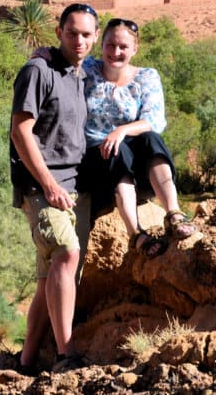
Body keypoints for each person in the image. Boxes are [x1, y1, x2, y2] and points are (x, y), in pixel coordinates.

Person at [10, 3, 99, 373]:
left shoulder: (80, 74)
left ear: (94, 37)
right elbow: (21, 131)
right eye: (72, 32)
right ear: (59, 31)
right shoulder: (38, 70)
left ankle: (27, 361)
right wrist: (47, 184)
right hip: (43, 186)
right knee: (66, 253)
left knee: (50, 276)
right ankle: (66, 355)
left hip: (75, 184)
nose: (78, 40)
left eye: (86, 34)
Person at [80, 18, 196, 256]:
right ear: (101, 44)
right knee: (116, 150)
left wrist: (121, 131)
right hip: (97, 162)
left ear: (135, 49)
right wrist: (42, 55)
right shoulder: (86, 70)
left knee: (151, 138)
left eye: (123, 47)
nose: (115, 52)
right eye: (110, 45)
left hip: (137, 166)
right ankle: (136, 234)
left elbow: (154, 120)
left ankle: (173, 213)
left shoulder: (146, 77)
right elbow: (62, 56)